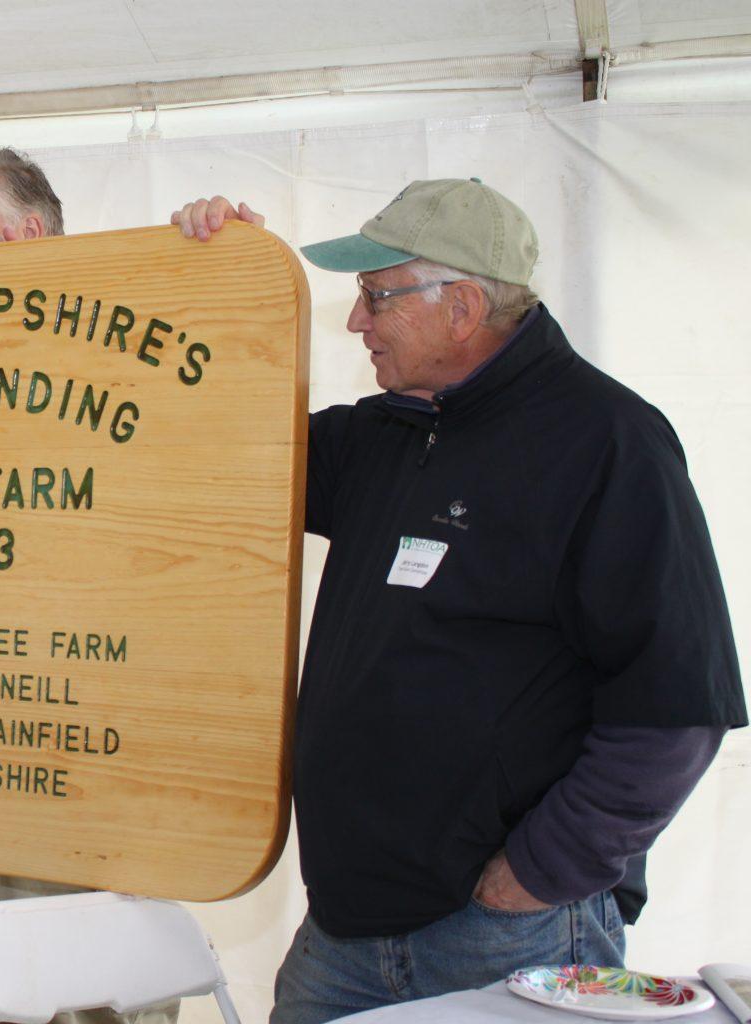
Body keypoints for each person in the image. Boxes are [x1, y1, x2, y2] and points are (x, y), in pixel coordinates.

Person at [190, 179, 745, 1023]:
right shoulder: (382, 436)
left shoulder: (606, 443)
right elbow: (209, 440)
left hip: (508, 936)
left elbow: (673, 715)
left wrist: (530, 882)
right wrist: (222, 280)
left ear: (461, 307)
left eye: (375, 297)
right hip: (344, 934)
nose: (355, 322)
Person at [0, 147, 266, 1024]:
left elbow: (231, 398)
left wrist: (222, 259)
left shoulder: (129, 337)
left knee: (73, 1000)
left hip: (72, 756)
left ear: (33, 232)